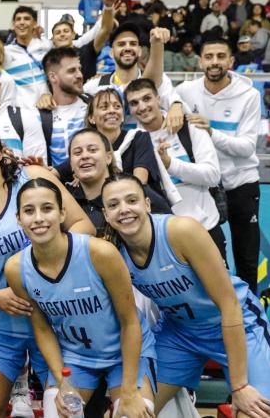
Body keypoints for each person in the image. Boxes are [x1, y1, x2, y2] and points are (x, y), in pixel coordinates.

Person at [0, 123, 94, 418]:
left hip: (54, 316)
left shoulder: (33, 178)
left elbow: (81, 225)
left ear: (0, 153)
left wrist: (48, 280)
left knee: (65, 410)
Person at [101, 173, 270, 417]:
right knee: (129, 413)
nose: (124, 210)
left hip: (237, 325)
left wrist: (240, 386)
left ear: (147, 204)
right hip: (180, 334)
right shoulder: (113, 254)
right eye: (114, 205)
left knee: (253, 412)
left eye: (131, 200)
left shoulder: (180, 231)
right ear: (106, 214)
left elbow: (229, 304)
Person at [6, 177, 157, 418]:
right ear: (18, 218)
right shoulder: (16, 268)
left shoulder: (100, 253)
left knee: (134, 414)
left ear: (62, 212)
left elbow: (130, 322)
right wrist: (60, 380)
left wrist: (129, 391)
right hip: (75, 358)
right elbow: (42, 328)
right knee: (58, 414)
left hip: (124, 354)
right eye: (28, 211)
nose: (38, 218)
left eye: (47, 208)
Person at [175, 39, 262, 293]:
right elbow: (162, 96)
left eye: (221, 56)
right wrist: (175, 108)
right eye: (209, 56)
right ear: (200, 61)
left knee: (246, 257)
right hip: (203, 186)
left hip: (241, 183)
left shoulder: (249, 95)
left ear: (231, 61)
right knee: (203, 256)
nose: (215, 62)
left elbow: (246, 147)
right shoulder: (185, 91)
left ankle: (249, 315)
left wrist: (210, 131)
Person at [124, 78, 225, 257]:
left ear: (158, 99)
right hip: (162, 237)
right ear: (129, 110)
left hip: (205, 228)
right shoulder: (131, 141)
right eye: (134, 103)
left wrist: (170, 164)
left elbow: (212, 175)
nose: (142, 107)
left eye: (147, 98)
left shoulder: (189, 127)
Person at [65, 128, 170, 236]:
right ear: (71, 164)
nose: (85, 156)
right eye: (77, 153)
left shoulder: (136, 191)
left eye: (92, 150)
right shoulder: (65, 202)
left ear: (108, 158)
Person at [3, 6, 49, 108]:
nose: (22, 22)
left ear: (35, 23)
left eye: (27, 19)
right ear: (13, 25)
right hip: (20, 111)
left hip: (48, 107)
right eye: (18, 19)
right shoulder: (5, 52)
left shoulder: (47, 45)